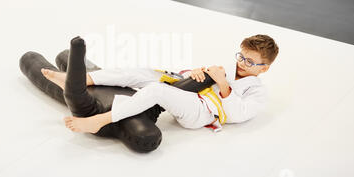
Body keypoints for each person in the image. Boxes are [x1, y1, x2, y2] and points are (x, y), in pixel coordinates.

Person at [41, 34, 279, 134]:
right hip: (189, 89)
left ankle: (98, 121)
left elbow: (237, 115)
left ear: (265, 68)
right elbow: (203, 78)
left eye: (250, 62)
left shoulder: (258, 93)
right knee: (144, 72)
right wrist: (196, 72)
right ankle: (87, 79)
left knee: (155, 91)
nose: (242, 63)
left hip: (201, 112)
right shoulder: (225, 69)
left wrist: (224, 86)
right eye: (241, 56)